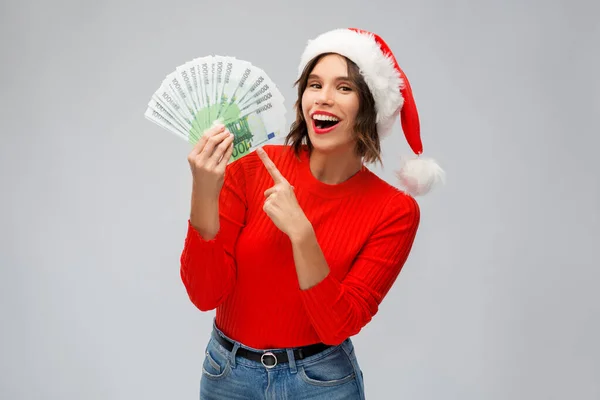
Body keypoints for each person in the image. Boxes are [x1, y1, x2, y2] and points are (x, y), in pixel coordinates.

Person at [180, 28, 444, 400]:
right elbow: (205, 294)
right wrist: (203, 191)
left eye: (344, 88)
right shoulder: (253, 165)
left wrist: (302, 234)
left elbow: (337, 325)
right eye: (314, 84)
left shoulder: (395, 212)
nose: (324, 99)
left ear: (370, 107)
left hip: (320, 384)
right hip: (228, 377)